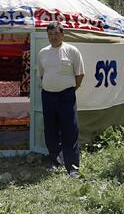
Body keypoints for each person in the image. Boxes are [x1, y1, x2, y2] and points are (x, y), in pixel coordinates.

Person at [38, 22, 85, 178]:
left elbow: (80, 75)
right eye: (50, 35)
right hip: (48, 95)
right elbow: (43, 74)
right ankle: (55, 160)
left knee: (70, 130)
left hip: (66, 96)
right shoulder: (43, 53)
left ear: (63, 34)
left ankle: (72, 167)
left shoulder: (72, 51)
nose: (53, 37)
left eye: (56, 34)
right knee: (50, 129)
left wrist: (69, 90)